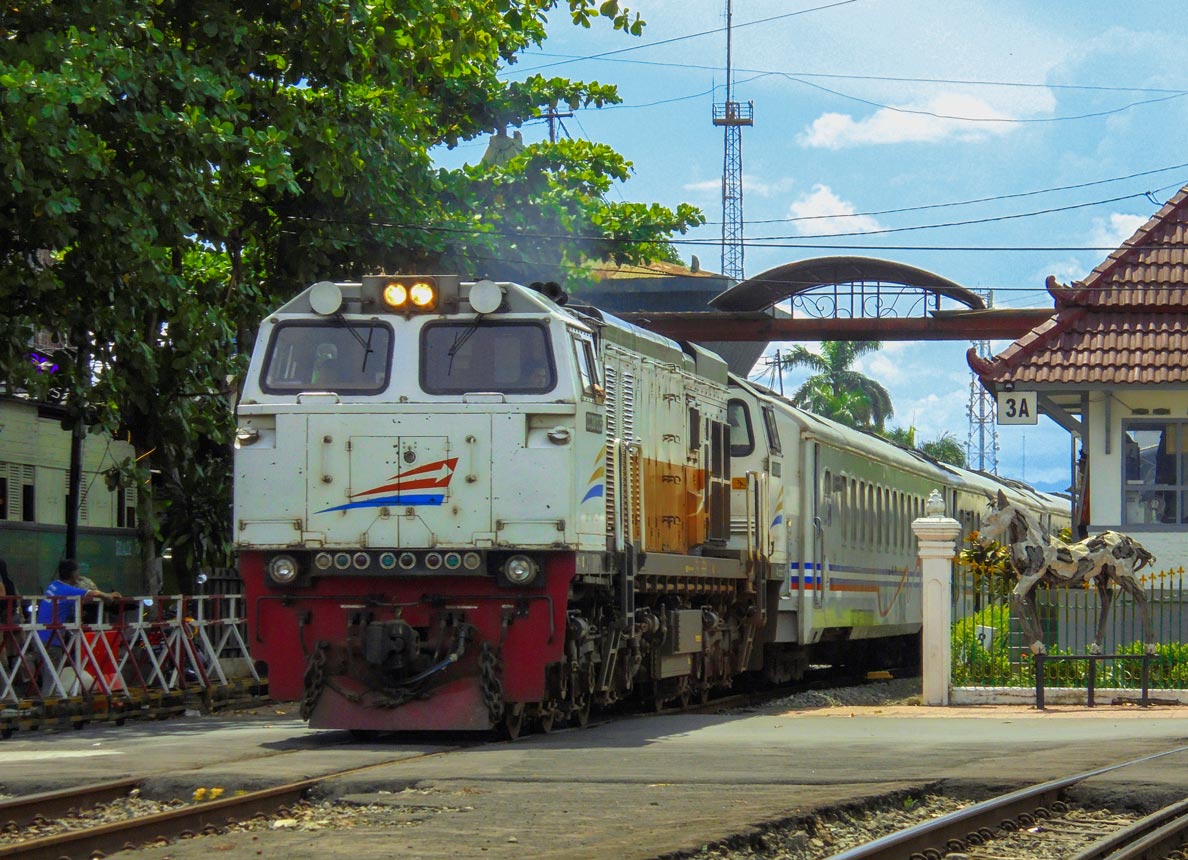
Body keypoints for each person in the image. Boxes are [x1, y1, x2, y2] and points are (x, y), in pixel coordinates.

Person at [35, 559, 121, 670]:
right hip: (50, 640)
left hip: (39, 636)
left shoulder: (53, 586)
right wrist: (108, 595)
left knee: (47, 676)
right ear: (73, 573)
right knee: (51, 680)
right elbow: (93, 593)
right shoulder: (67, 590)